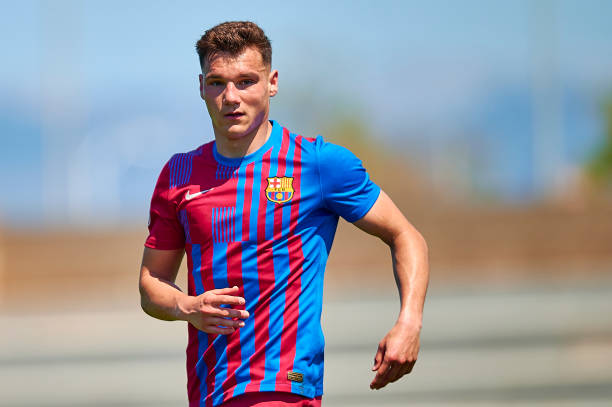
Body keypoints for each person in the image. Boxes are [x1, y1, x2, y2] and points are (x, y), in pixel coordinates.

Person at [139, 21, 429, 407]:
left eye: (246, 81)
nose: (231, 97)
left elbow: (405, 235)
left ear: (272, 82)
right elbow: (152, 283)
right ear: (201, 87)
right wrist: (186, 306)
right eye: (217, 82)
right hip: (209, 387)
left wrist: (409, 321)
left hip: (284, 384)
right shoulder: (179, 175)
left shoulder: (318, 164)